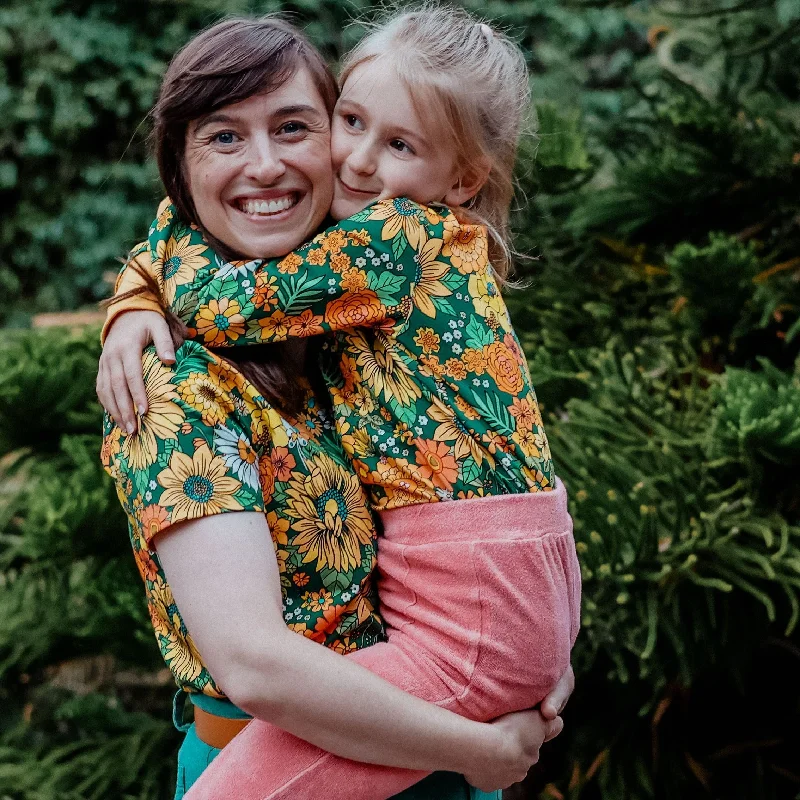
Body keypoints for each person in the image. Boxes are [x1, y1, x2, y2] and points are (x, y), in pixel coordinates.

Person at [98, 11, 577, 800]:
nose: (354, 158)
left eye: (295, 127)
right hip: (349, 745)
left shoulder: (360, 282)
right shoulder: (176, 384)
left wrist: (528, 652)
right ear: (179, 170)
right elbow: (255, 664)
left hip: (447, 729)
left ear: (460, 174)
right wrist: (135, 294)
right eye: (222, 138)